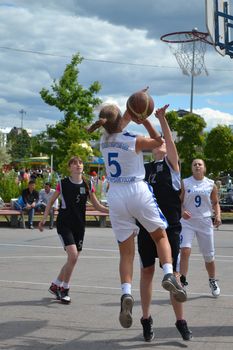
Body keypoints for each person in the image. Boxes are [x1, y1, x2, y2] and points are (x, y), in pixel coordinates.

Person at [88, 101, 187, 329]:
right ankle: (170, 274)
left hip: (116, 195)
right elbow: (159, 142)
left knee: (126, 253)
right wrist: (145, 120)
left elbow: (116, 124)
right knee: (160, 236)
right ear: (122, 118)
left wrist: (130, 113)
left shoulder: (104, 141)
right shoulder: (133, 139)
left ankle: (125, 293)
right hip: (136, 190)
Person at [137, 111, 192, 342]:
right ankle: (146, 319)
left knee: (174, 277)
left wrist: (159, 119)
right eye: (156, 141)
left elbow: (167, 141)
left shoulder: (172, 166)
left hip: (170, 229)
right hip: (146, 228)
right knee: (147, 272)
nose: (159, 142)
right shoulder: (143, 170)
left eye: (162, 141)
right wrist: (141, 120)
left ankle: (180, 320)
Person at [38, 156, 109, 304]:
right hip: (64, 224)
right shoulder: (63, 184)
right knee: (73, 255)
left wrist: (111, 211)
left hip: (79, 225)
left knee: (73, 258)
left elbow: (97, 205)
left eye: (80, 163)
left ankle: (55, 284)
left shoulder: (88, 184)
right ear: (69, 168)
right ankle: (64, 289)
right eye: (75, 163)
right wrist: (44, 218)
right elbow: (51, 201)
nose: (78, 165)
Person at [179, 159, 221, 298]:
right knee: (185, 251)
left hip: (204, 222)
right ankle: (182, 282)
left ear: (204, 168)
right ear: (191, 168)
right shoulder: (185, 182)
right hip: (188, 222)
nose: (197, 166)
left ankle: (212, 280)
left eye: (200, 164)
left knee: (209, 256)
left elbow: (215, 203)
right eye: (194, 164)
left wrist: (218, 216)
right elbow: (178, 201)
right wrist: (181, 212)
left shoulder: (210, 184)